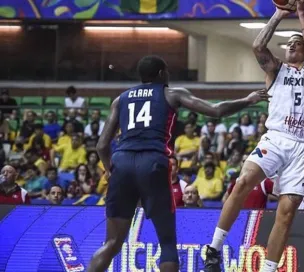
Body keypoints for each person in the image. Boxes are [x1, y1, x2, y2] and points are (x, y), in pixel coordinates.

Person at [86, 55, 269, 272]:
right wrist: (247, 100)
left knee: (112, 242)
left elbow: (101, 145)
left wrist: (109, 169)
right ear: (162, 74)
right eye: (168, 71)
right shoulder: (171, 93)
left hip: (122, 161)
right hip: (153, 161)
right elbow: (216, 111)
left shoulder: (121, 99)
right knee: (167, 244)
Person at [204, 1, 304, 271]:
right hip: (276, 138)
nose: (292, 45)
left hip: (302, 147)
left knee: (286, 212)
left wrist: (303, 13)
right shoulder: (276, 69)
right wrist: (279, 14)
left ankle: (269, 269)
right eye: (289, 43)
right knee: (243, 180)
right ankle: (213, 248)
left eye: (298, 42)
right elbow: (258, 47)